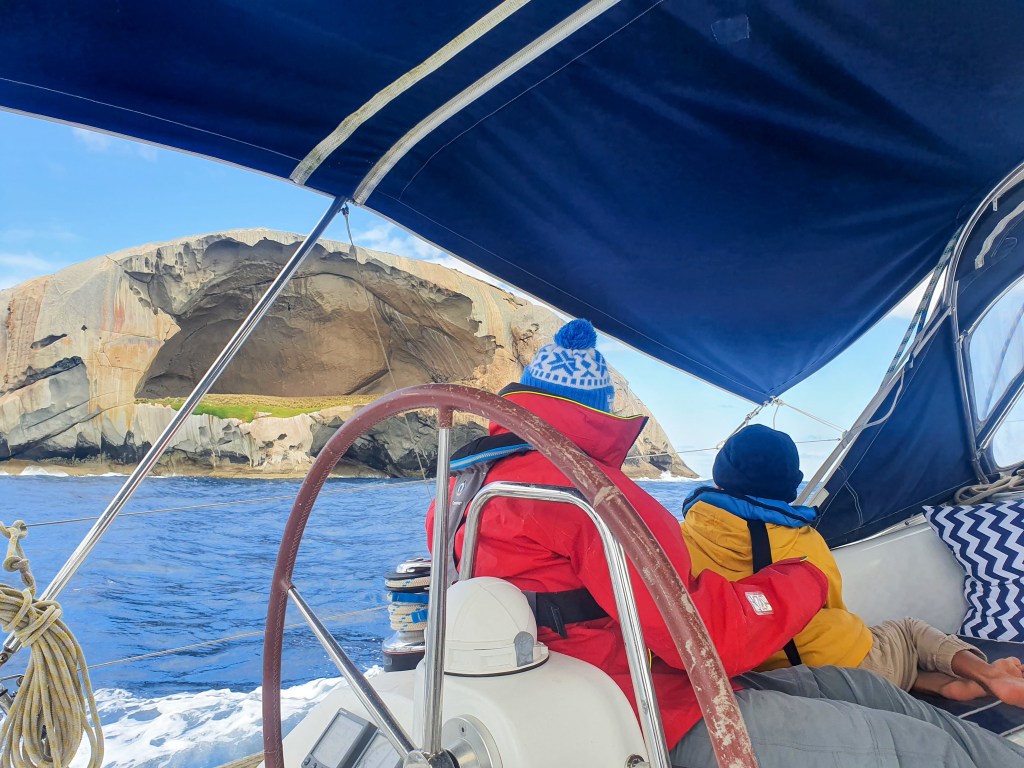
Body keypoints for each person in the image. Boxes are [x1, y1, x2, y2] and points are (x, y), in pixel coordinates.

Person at [427, 319, 1024, 767]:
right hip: (650, 716)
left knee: (860, 687)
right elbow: (707, 636)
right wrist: (802, 580)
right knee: (924, 748)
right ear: (599, 412)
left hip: (618, 689)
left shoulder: (462, 491)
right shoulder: (586, 493)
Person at [679, 423, 1024, 708]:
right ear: (788, 487)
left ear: (719, 478)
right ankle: (988, 674)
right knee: (907, 630)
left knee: (879, 658)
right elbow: (831, 606)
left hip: (771, 681)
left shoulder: (683, 540)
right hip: (843, 670)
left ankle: (943, 685)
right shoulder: (803, 540)